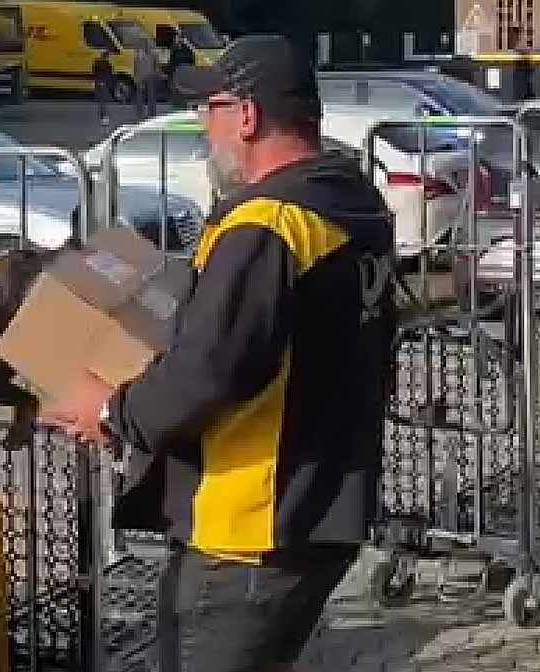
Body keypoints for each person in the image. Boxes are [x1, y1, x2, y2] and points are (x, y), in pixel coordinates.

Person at [42, 35, 396, 672]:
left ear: (249, 117)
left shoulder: (266, 224)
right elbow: (248, 347)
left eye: (212, 109)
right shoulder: (343, 201)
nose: (205, 128)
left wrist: (111, 410)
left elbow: (212, 369)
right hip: (305, 510)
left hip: (248, 528)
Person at [93, 50, 114, 127]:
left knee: (101, 101)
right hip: (103, 84)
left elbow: (95, 73)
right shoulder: (107, 64)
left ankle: (103, 116)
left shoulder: (96, 62)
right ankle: (104, 117)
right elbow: (108, 75)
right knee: (103, 101)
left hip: (98, 83)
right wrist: (109, 84)